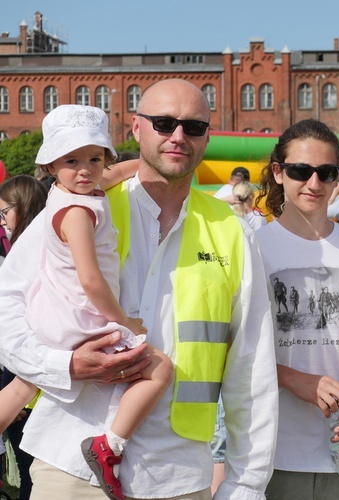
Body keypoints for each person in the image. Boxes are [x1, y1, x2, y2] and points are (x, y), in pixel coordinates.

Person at [0, 79, 278, 500]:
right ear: (136, 127)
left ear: (207, 136)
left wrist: (245, 485)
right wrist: (65, 366)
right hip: (70, 464)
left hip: (178, 473)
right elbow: (6, 308)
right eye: (164, 123)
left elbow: (251, 367)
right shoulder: (83, 206)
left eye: (194, 126)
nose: (178, 136)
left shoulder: (233, 232)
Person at [0, 105, 174, 500]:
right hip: (80, 319)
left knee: (23, 387)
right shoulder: (78, 211)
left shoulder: (69, 192)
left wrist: (144, 165)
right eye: (72, 160)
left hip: (53, 313)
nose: (85, 169)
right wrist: (125, 322)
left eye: (94, 159)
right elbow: (92, 280)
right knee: (159, 369)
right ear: (50, 165)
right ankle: (109, 445)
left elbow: (112, 173)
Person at [255, 119, 339, 499]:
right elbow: (237, 349)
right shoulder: (253, 246)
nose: (314, 183)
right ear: (278, 173)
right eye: (300, 171)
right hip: (273, 446)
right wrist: (294, 378)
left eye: (326, 172)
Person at [0, 174, 47, 500]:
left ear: (23, 208)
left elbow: (35, 329)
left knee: (33, 476)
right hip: (25, 386)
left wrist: (13, 394)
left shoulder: (31, 255)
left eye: (5, 212)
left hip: (29, 388)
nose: (1, 220)